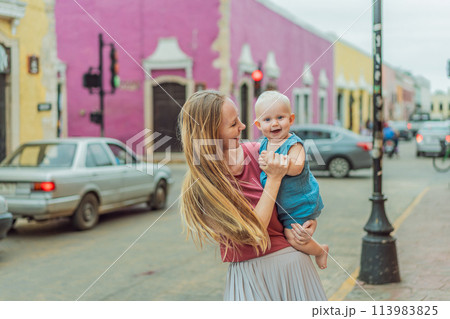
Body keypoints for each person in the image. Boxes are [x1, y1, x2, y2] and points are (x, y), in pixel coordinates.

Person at [179, 90, 327, 301]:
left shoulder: (261, 152)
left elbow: (301, 186)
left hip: (293, 268)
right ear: (211, 134)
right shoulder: (200, 188)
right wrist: (274, 179)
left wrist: (308, 219)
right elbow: (253, 234)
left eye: (239, 119)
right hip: (250, 278)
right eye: (233, 124)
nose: (243, 126)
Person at [254, 91, 329, 270]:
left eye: (280, 117)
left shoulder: (293, 144)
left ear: (291, 119)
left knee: (293, 238)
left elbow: (296, 167)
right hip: (285, 206)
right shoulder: (263, 144)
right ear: (258, 124)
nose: (274, 123)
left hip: (300, 203)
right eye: (267, 120)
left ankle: (320, 250)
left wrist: (278, 166)